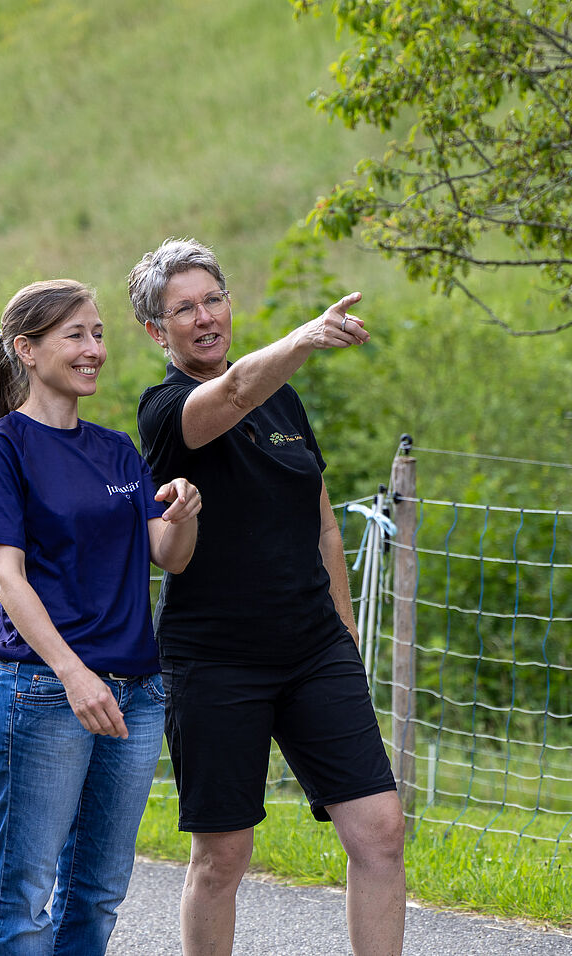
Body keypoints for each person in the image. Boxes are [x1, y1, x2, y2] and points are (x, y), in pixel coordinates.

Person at [128, 239, 406, 956]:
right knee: (223, 857)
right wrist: (306, 335)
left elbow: (322, 526)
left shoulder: (285, 398)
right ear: (158, 332)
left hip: (314, 651)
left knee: (379, 831)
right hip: (216, 660)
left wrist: (344, 635)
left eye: (213, 299)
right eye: (183, 309)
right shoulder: (165, 410)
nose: (204, 317)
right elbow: (235, 392)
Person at [0, 279, 201, 956]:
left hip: (136, 693)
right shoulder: (0, 452)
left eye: (98, 334)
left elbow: (168, 556)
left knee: (97, 892)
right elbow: (6, 576)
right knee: (26, 894)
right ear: (25, 351)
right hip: (45, 692)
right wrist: (73, 674)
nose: (94, 348)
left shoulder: (119, 450)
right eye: (76, 335)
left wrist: (185, 513)